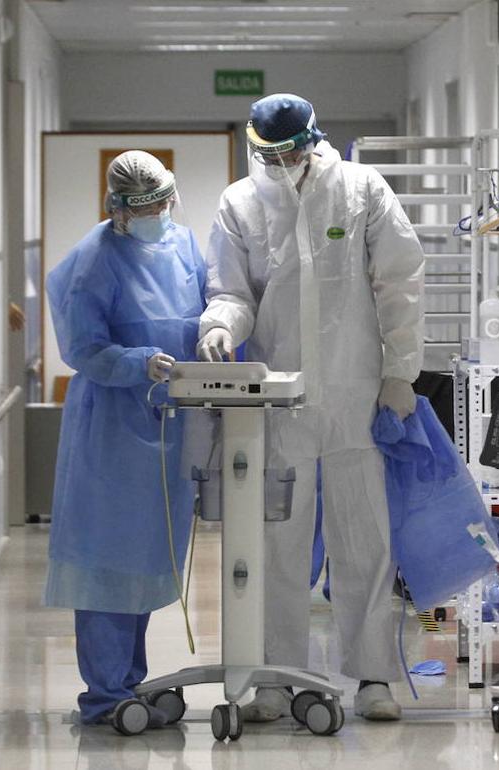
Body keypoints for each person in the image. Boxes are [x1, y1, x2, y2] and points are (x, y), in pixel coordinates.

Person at [197, 93, 425, 722]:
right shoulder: (240, 202)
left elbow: (398, 282)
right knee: (277, 542)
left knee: (365, 539)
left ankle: (373, 676)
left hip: (356, 391)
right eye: (265, 154)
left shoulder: (360, 189)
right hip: (281, 396)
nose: (277, 165)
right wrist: (220, 323)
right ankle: (275, 676)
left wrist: (401, 371)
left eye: (286, 153)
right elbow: (232, 289)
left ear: (310, 141)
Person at [44, 151, 206, 732]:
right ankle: (105, 693)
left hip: (168, 427)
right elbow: (83, 349)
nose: (161, 214)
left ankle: (129, 683)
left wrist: (216, 335)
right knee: (107, 562)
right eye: (149, 207)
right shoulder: (91, 263)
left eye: (164, 203)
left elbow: (208, 306)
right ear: (119, 210)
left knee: (143, 559)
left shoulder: (184, 246)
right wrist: (140, 363)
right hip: (111, 430)